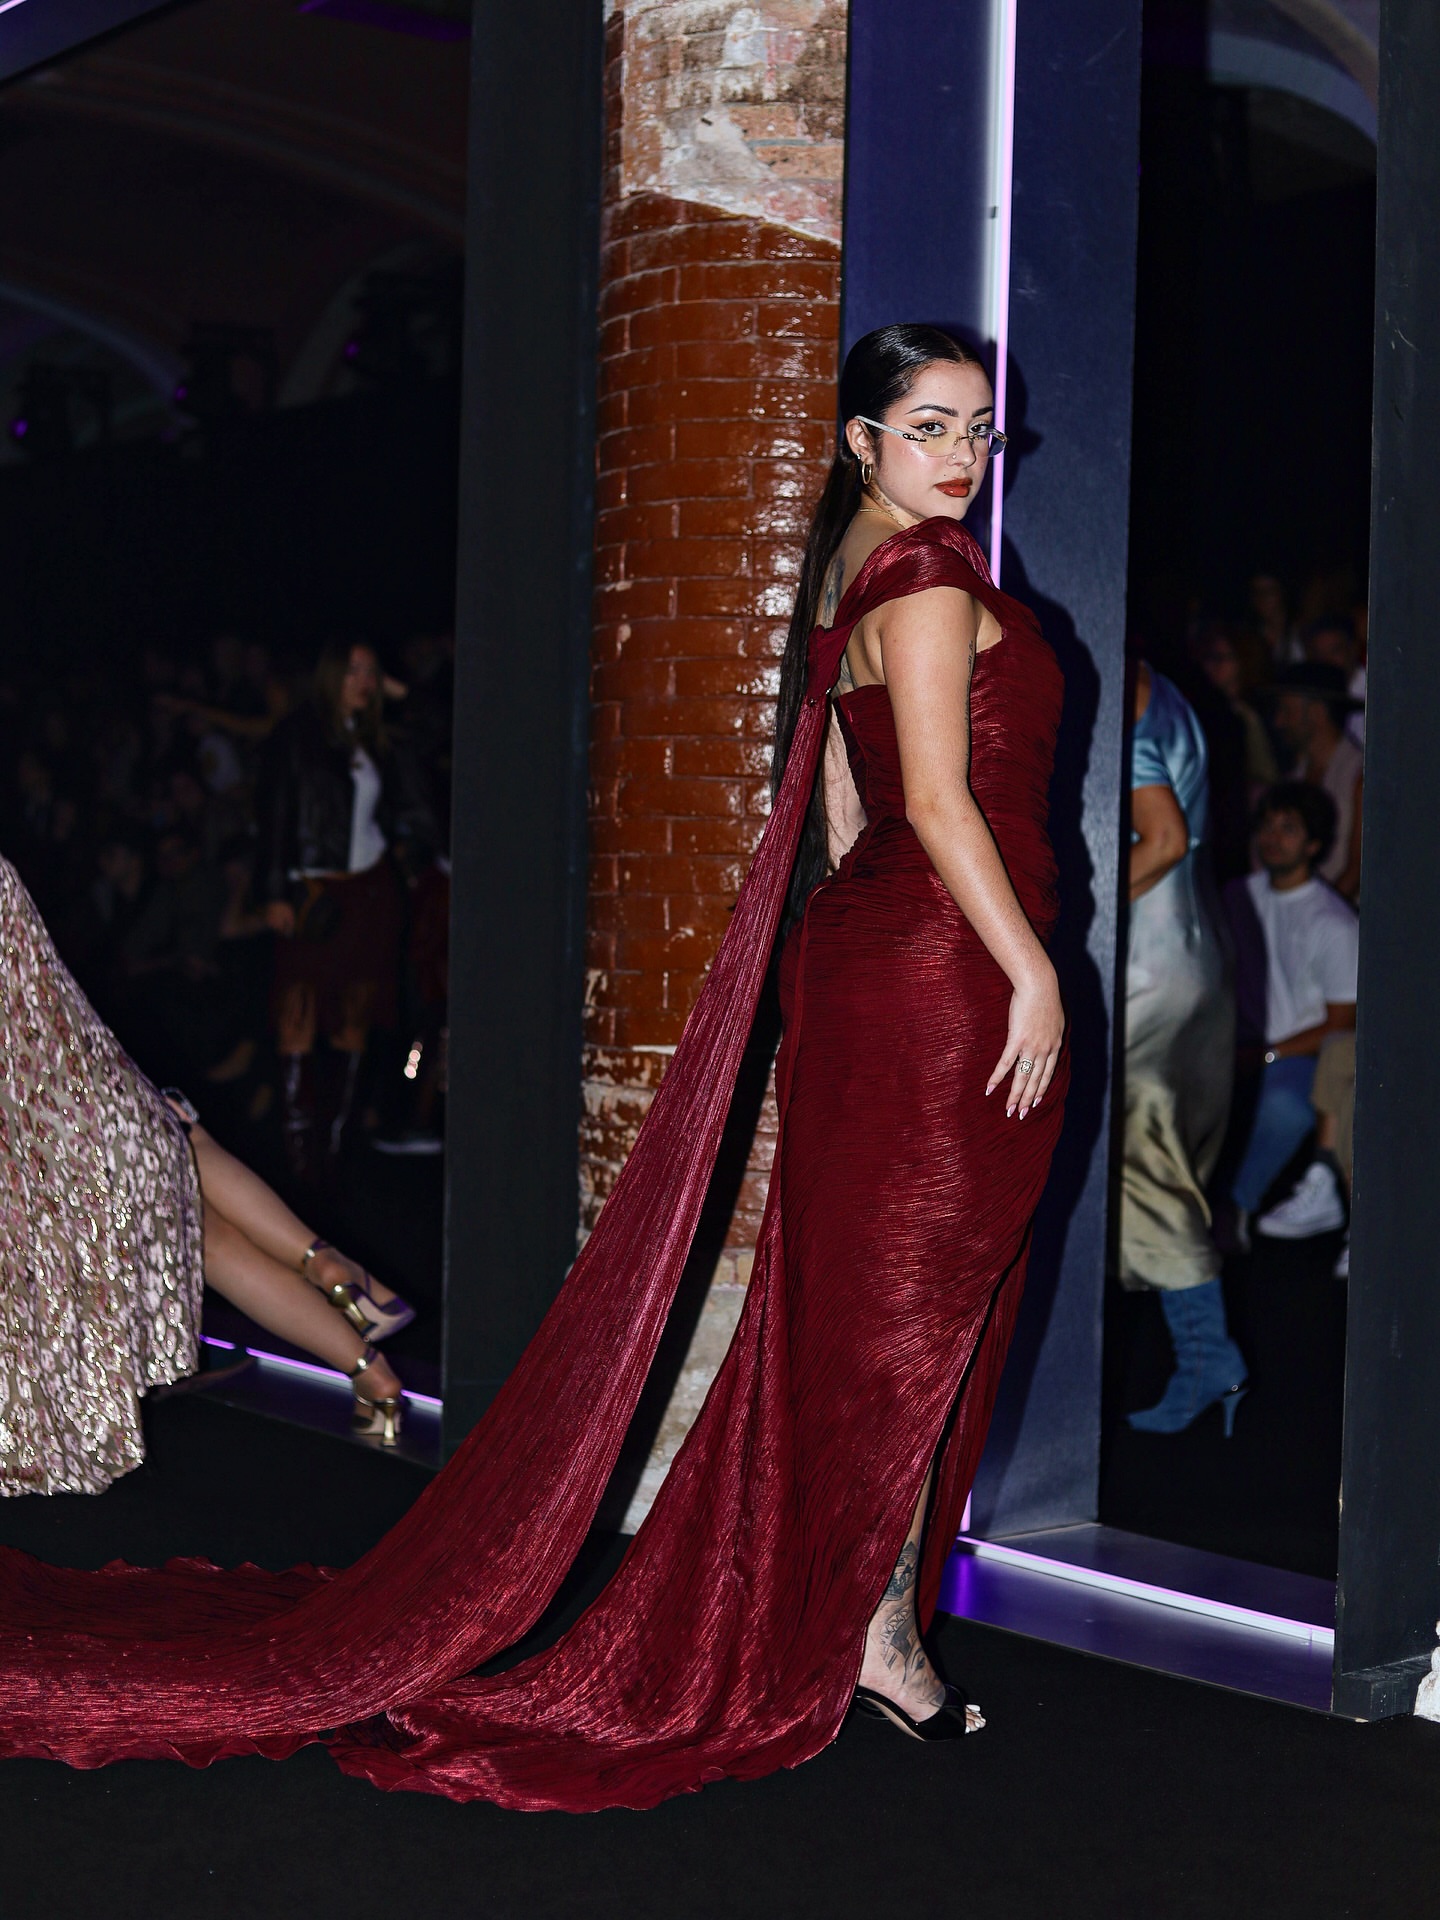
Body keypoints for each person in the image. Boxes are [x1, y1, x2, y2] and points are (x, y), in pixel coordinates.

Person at [0, 324, 1068, 1806]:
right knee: (909, 1319)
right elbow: (939, 806)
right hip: (950, 970)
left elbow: (840, 816)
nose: (960, 455)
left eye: (978, 428)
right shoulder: (931, 577)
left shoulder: (851, 578)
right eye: (930, 425)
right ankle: (873, 1629)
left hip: (886, 968)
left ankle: (861, 1619)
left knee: (871, 1317)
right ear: (861, 441)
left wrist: (863, 969)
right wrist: (1028, 976)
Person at [0, 856, 411, 1497]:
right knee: (201, 1211)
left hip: (54, 1146)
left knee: (202, 1234)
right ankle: (346, 1311)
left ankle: (364, 1354)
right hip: (111, 1103)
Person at [255, 641, 437, 1181]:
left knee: (354, 1020)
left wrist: (403, 695)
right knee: (297, 1017)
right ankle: (298, 1161)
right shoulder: (297, 734)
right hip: (313, 891)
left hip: (369, 893)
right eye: (353, 669)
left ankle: (333, 1158)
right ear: (331, 672)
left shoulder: (376, 737)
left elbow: (433, 741)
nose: (364, 679)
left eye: (371, 671)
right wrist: (274, 890)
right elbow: (275, 813)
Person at [1120, 664, 1245, 1435]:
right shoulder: (1162, 690)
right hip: (1190, 947)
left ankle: (1208, 1358)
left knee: (1145, 1157)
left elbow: (1162, 839)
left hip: (1152, 960)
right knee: (1155, 1156)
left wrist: (1076, 912)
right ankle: (1205, 1357)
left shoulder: (1124, 686)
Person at [1222, 782, 1358, 1250]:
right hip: (1232, 1045)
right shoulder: (1236, 896)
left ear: (1314, 844)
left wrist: (1266, 1055)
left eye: (1288, 829)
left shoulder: (1334, 922)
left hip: (1295, 1056)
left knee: (1286, 1106)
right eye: (1267, 826)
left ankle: (1235, 1207)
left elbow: (1342, 1022)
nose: (1272, 838)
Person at [1271, 663, 1363, 902]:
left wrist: (1320, 913)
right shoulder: (1295, 777)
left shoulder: (1358, 775)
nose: (1279, 721)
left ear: (1316, 713)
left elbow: (1359, 866)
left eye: (1287, 711)